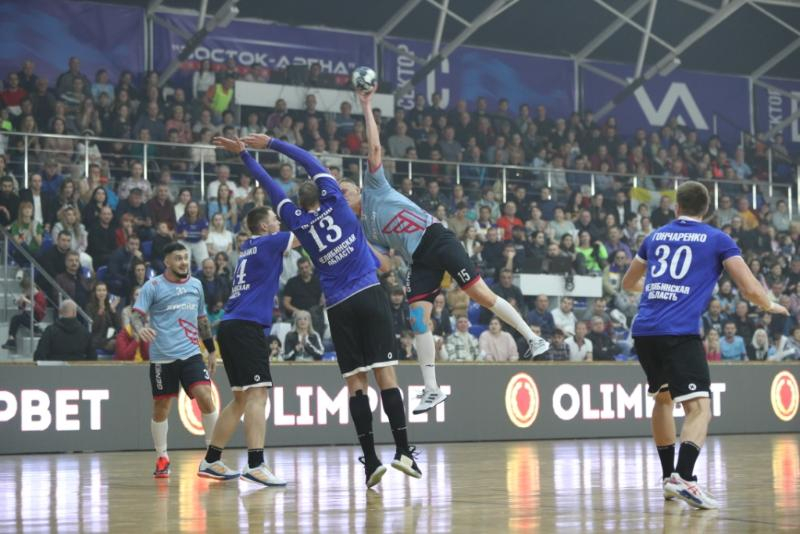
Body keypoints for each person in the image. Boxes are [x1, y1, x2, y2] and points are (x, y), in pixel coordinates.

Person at [219, 132, 422, 489]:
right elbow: (308, 160)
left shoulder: (297, 222)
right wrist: (272, 143)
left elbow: (270, 187)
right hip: (368, 293)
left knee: (356, 384)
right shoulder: (339, 203)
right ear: (325, 189)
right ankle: (403, 450)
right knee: (386, 376)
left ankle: (371, 461)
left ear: (299, 202)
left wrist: (246, 157)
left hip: (339, 306)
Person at [336, 87, 549, 414]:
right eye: (339, 192)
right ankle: (432, 389)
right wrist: (359, 246)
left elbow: (375, 146)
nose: (342, 193)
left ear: (357, 190)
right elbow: (383, 263)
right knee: (417, 319)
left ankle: (532, 338)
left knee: (480, 295)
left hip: (436, 238)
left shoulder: (374, 187)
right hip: (418, 261)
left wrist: (367, 106)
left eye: (345, 189)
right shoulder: (362, 229)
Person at [622, 180, 788, 510]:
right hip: (678, 332)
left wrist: (659, 288)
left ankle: (669, 478)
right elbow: (749, 288)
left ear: (677, 207)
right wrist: (769, 305)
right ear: (707, 209)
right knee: (700, 409)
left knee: (663, 399)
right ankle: (684, 478)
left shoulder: (655, 236)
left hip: (644, 331)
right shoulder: (717, 239)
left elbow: (629, 282)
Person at [199, 206, 293, 486]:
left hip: (230, 326)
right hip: (246, 326)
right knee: (258, 395)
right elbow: (306, 231)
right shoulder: (270, 241)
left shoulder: (249, 246)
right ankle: (255, 464)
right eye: (275, 219)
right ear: (264, 226)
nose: (279, 222)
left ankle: (211, 459)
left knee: (241, 398)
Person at [131, 242, 220, 478]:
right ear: (167, 262)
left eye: (185, 257)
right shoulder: (153, 286)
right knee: (161, 408)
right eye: (178, 258)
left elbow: (202, 319)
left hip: (191, 354)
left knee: (205, 397)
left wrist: (211, 350)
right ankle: (162, 457)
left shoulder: (196, 285)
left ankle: (213, 458)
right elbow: (135, 316)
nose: (183, 262)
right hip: (162, 358)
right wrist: (140, 328)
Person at [2, 274, 45, 352]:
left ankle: (37, 329)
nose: (24, 292)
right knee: (15, 319)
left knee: (18, 318)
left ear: (30, 288)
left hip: (36, 316)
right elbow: (22, 309)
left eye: (25, 290)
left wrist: (27, 301)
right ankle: (11, 340)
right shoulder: (28, 295)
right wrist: (20, 303)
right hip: (27, 315)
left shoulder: (40, 295)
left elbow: (40, 311)